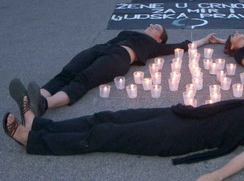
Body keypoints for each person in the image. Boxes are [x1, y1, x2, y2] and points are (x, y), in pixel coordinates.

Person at [4, 81, 244, 181]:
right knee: (107, 117)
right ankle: (39, 126)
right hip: (180, 114)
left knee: (105, 135)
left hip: (176, 136)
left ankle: (31, 141)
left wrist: (215, 176)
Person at [8, 25, 216, 117]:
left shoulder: (155, 46)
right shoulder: (128, 32)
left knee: (83, 80)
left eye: (157, 27)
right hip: (100, 49)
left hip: (119, 58)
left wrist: (206, 40)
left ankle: (44, 104)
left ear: (159, 38)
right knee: (65, 74)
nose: (152, 25)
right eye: (152, 24)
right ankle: (32, 99)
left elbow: (185, 45)